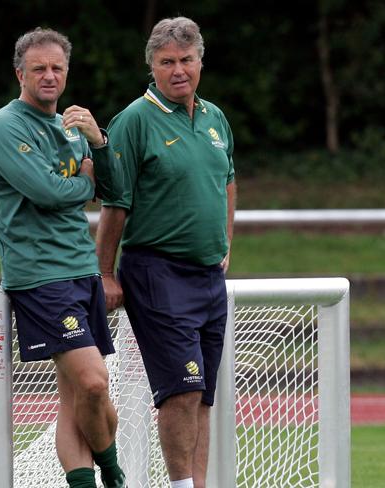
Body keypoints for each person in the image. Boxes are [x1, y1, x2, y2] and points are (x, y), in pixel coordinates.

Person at [0, 28, 126, 488]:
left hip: (81, 270)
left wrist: (98, 145)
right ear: (19, 72)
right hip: (41, 276)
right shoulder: (5, 126)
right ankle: (114, 473)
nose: (49, 76)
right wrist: (84, 185)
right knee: (93, 383)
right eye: (39, 68)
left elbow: (116, 191)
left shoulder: (73, 126)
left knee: (78, 401)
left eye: (57, 68)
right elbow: (47, 192)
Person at [96, 17, 236, 488]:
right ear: (152, 67)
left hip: (208, 277)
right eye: (167, 62)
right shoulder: (135, 120)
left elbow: (228, 180)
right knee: (182, 389)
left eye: (186, 60)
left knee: (204, 397)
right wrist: (105, 273)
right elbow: (116, 202)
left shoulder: (215, 118)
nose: (179, 69)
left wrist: (226, 240)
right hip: (158, 272)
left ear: (200, 61)